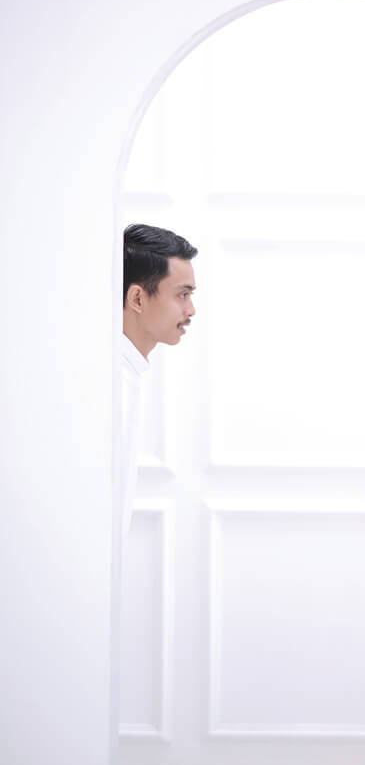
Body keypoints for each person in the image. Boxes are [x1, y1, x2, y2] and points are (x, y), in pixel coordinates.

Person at [121, 223, 198, 543]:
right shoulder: (110, 384)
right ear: (138, 298)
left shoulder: (124, 372)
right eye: (182, 294)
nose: (191, 310)